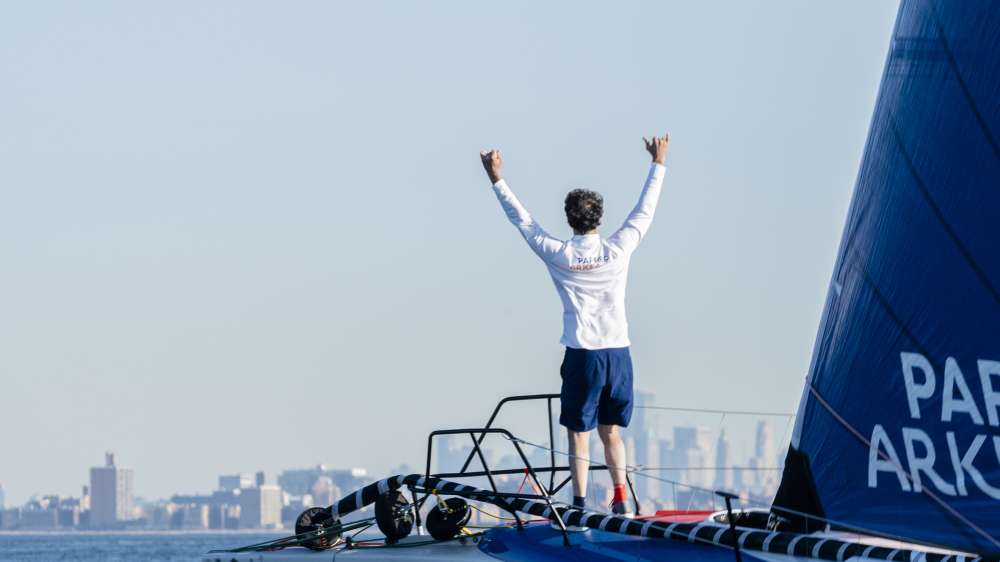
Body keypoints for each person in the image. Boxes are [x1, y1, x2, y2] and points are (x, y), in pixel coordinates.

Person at [480, 133, 669, 518]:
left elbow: (524, 222)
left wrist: (496, 178)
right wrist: (658, 163)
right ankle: (620, 500)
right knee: (611, 431)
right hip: (619, 353)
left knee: (578, 434)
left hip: (583, 356)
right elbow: (644, 211)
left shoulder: (561, 255)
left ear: (570, 218)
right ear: (599, 217)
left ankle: (579, 505)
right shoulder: (618, 249)